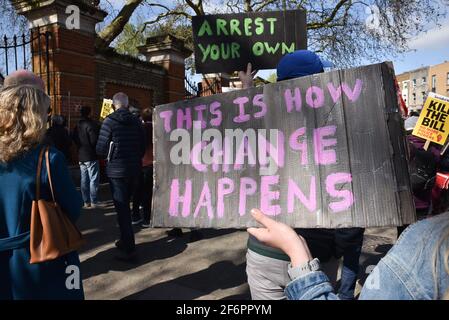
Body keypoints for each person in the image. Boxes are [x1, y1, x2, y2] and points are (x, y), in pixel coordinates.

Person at [244, 50, 365, 300]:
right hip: (314, 255)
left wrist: (247, 90)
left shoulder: (258, 120)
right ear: (317, 81)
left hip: (263, 249)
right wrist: (339, 248)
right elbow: (352, 206)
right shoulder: (342, 130)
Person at [247, 208, 449, 300]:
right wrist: (336, 251)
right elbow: (349, 229)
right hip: (316, 255)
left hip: (268, 250)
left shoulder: (430, 241)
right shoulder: (431, 241)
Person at [0, 83, 84, 299]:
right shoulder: (49, 158)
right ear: (34, 117)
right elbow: (73, 209)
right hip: (38, 258)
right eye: (46, 112)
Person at [96, 92, 145, 260]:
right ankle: (125, 240)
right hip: (134, 169)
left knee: (122, 209)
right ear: (127, 104)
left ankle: (129, 248)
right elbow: (142, 146)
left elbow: (101, 149)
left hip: (116, 171)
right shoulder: (137, 122)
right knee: (127, 206)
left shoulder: (109, 122)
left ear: (113, 105)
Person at [72, 106, 101, 209]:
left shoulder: (77, 125)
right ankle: (94, 201)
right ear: (89, 113)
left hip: (81, 154)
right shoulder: (91, 125)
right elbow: (94, 140)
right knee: (93, 179)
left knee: (84, 179)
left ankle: (86, 201)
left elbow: (74, 138)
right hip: (91, 155)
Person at [131, 107, 154, 228]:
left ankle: (135, 215)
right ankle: (146, 218)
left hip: (138, 163)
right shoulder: (156, 129)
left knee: (137, 190)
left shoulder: (138, 129)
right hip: (150, 163)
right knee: (148, 192)